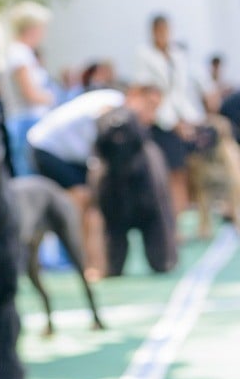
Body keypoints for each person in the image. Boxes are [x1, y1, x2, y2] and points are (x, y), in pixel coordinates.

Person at [26, 84, 163, 279]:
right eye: (149, 106)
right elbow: (101, 152)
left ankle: (87, 262)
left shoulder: (114, 104)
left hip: (70, 154)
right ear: (135, 96)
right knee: (82, 202)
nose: (151, 115)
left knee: (91, 206)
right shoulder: (113, 110)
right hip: (48, 149)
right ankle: (83, 262)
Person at [134, 14, 215, 222]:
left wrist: (188, 118)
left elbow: (180, 91)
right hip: (161, 120)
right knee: (168, 173)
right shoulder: (145, 55)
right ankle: (171, 222)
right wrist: (171, 121)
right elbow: (150, 92)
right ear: (153, 32)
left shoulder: (177, 55)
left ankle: (181, 217)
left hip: (181, 117)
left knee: (184, 172)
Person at [0, 1, 56, 176]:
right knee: (29, 174)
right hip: (27, 122)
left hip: (26, 120)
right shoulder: (19, 54)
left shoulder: (19, 52)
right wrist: (51, 97)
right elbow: (29, 93)